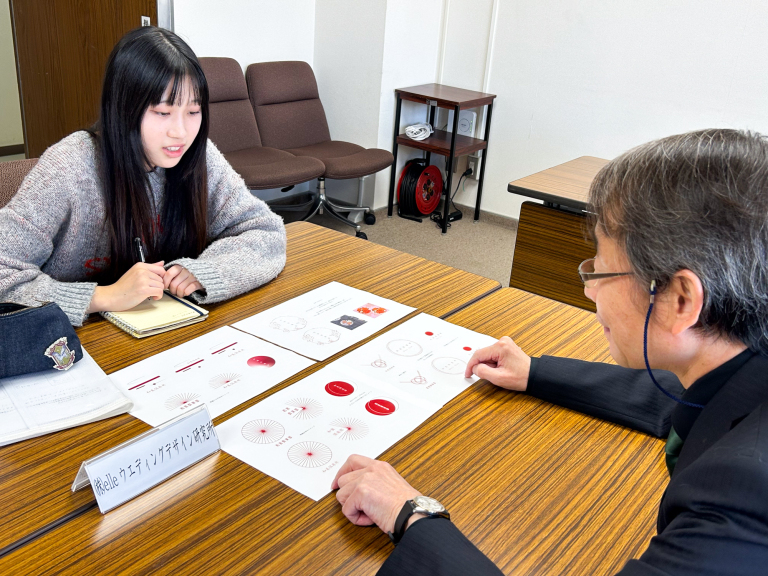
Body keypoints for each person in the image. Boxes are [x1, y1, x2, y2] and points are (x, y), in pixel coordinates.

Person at [332, 128, 768, 575]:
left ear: (679, 300)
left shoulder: (741, 501)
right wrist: (535, 372)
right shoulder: (742, 358)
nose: (588, 290)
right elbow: (679, 393)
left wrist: (412, 515)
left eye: (600, 270)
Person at [0, 27, 286, 326]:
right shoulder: (70, 166)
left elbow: (265, 232)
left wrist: (207, 271)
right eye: (163, 113)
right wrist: (103, 297)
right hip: (76, 343)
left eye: (193, 111)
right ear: (123, 109)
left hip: (170, 332)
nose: (181, 132)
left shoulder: (198, 155)